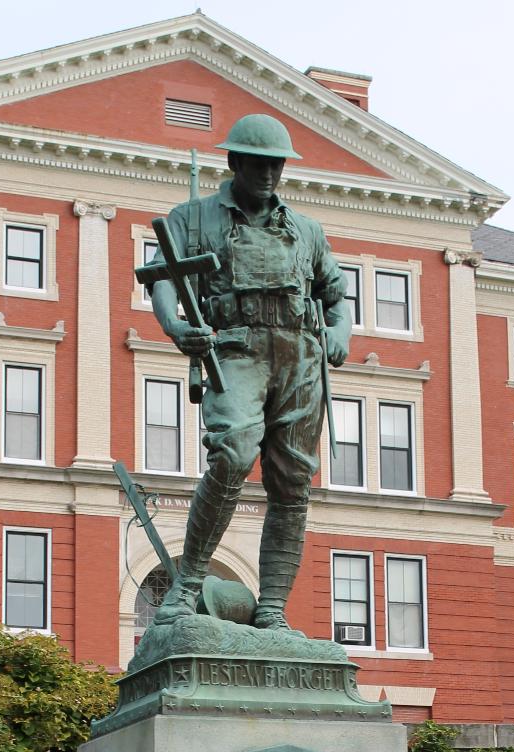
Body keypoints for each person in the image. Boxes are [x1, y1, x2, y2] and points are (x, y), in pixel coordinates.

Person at [145, 113, 351, 632]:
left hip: (300, 356)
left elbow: (336, 296)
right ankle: (187, 585)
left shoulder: (306, 231)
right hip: (236, 349)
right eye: (257, 164)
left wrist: (340, 331)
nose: (267, 174)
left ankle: (274, 608)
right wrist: (174, 325)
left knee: (293, 484)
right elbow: (162, 278)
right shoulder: (194, 218)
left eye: (275, 165)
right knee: (233, 450)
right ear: (234, 161)